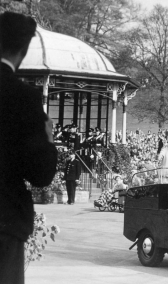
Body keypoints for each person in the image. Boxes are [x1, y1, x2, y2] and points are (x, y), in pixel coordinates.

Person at [0, 12, 58, 283]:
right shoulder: (23, 98)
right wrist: (48, 140)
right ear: (23, 50)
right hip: (4, 218)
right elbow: (40, 174)